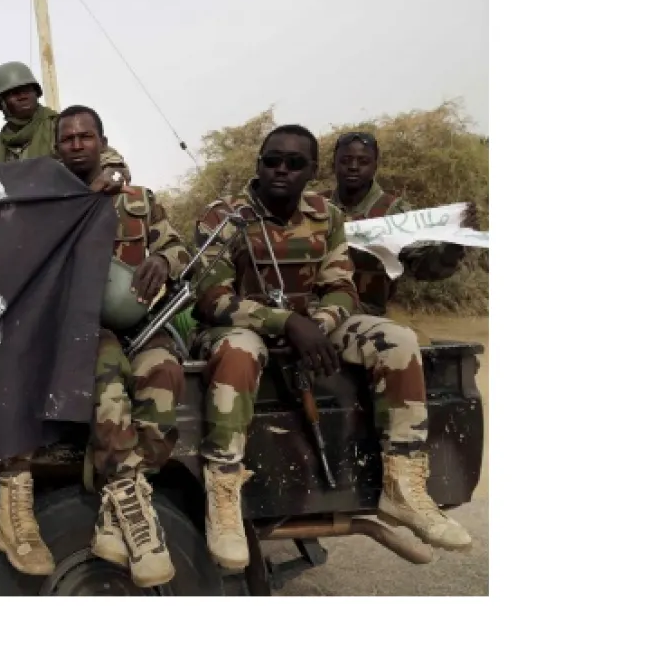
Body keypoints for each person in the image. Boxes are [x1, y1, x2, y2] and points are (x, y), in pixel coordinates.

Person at [192, 126, 472, 572]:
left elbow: (341, 286)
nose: (281, 170)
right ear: (258, 164)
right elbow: (213, 299)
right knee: (238, 352)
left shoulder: (327, 215)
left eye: (295, 163)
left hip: (314, 325)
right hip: (242, 327)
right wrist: (289, 324)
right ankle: (224, 496)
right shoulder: (225, 216)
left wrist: (320, 324)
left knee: (397, 339)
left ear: (312, 171)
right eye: (272, 160)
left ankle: (402, 485)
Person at [55, 105, 192, 588]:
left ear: (101, 140)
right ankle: (133, 509)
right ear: (57, 148)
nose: (77, 145)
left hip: (142, 323)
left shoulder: (138, 200)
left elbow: (177, 246)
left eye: (85, 136)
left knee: (165, 374)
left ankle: (122, 506)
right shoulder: (50, 204)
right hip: (83, 328)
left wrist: (164, 261)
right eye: (68, 138)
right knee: (108, 381)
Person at [326, 131, 467, 316]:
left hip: (367, 316)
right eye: (345, 160)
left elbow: (423, 266)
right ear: (334, 164)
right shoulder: (316, 206)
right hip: (314, 310)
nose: (353, 167)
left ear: (375, 166)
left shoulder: (394, 213)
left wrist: (451, 246)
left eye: (363, 161)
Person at [0, 62, 130, 194]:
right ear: (0, 102)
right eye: (14, 93)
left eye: (27, 90)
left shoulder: (59, 126)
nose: (23, 96)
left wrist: (114, 173)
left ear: (36, 92)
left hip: (63, 204)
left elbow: (105, 156)